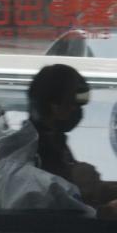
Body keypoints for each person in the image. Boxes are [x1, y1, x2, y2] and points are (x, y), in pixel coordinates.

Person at [28, 63, 117, 214]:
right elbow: (63, 213)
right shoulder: (37, 150)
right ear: (54, 105)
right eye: (73, 103)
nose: (77, 111)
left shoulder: (54, 139)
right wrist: (107, 211)